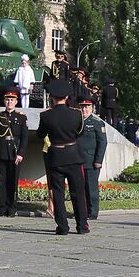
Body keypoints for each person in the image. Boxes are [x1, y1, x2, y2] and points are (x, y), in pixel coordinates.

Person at [36, 80, 88, 235]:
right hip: (73, 156)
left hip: (56, 157)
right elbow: (80, 132)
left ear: (52, 96)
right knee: (78, 193)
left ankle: (63, 226)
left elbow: (40, 134)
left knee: (58, 194)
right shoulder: (76, 113)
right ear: (66, 96)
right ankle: (82, 225)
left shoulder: (46, 115)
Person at [0, 83, 27, 216]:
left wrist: (21, 153)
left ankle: (12, 207)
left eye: (12, 99)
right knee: (2, 182)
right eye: (7, 99)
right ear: (4, 101)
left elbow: (24, 138)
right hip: (0, 154)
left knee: (13, 181)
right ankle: (2, 207)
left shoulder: (22, 118)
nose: (9, 102)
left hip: (14, 154)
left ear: (16, 101)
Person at [76, 95, 108, 220]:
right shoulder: (77, 122)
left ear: (92, 108)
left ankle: (93, 212)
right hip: (78, 159)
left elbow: (102, 142)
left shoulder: (97, 123)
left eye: (87, 107)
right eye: (82, 107)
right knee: (80, 188)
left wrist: (98, 160)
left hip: (91, 160)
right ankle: (82, 211)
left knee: (91, 188)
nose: (85, 110)